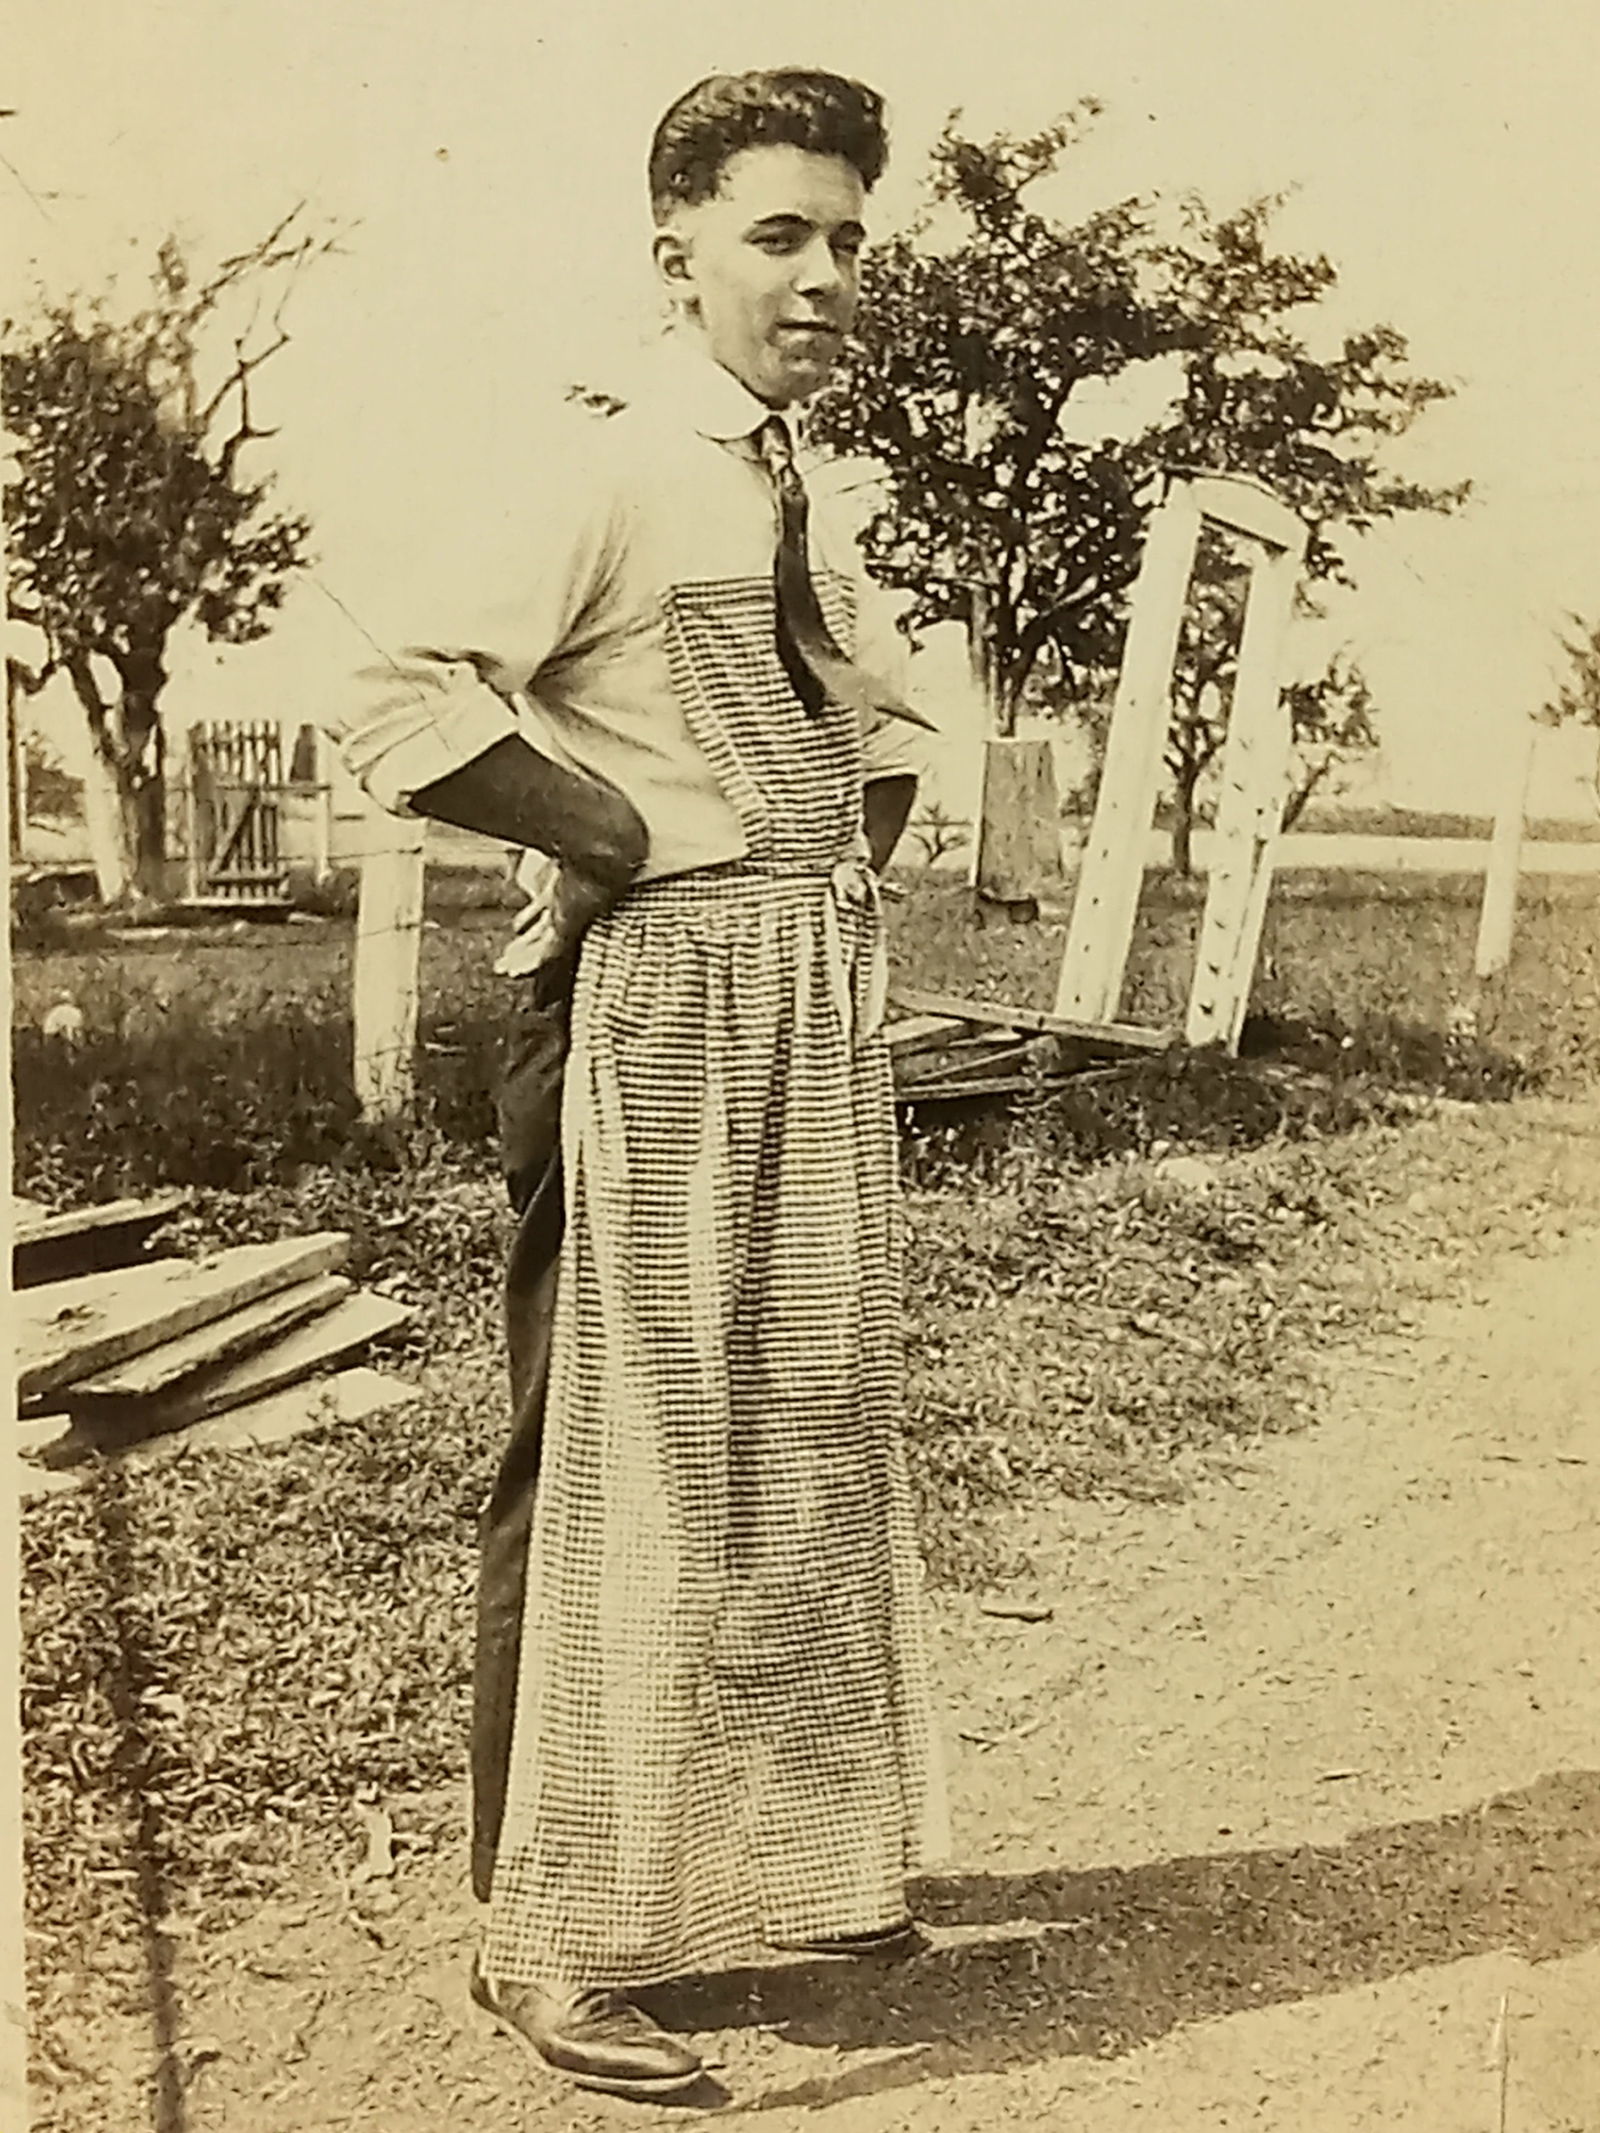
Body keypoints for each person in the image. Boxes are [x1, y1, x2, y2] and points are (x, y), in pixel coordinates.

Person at [324, 66, 946, 2104]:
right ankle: (549, 1932)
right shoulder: (601, 463)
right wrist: (622, 834)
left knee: (789, 1438)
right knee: (603, 1453)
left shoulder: (792, 480)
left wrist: (842, 815)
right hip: (643, 1009)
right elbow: (398, 697)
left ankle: (764, 1875)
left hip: (794, 1004)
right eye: (781, 233)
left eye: (851, 236)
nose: (825, 273)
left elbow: (869, 711)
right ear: (671, 250)